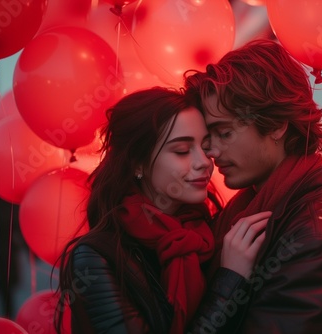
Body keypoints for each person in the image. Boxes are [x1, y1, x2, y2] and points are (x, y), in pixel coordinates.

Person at [183, 39, 322, 333]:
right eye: (209, 136)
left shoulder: (319, 242)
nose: (212, 150)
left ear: (276, 125)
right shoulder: (246, 211)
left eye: (224, 132)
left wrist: (228, 282)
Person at [54, 86, 270, 334]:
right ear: (138, 163)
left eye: (205, 146)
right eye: (181, 151)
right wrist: (230, 280)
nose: (203, 162)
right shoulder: (96, 258)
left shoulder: (208, 235)